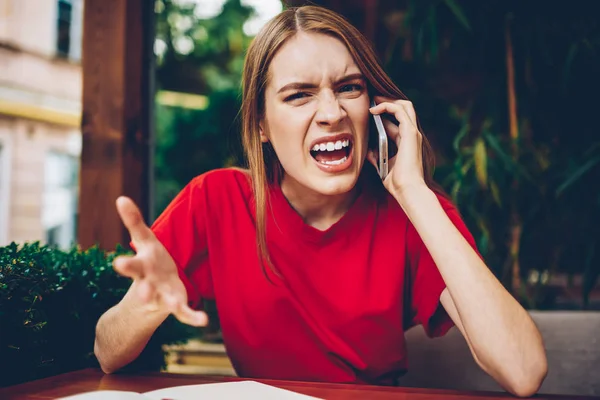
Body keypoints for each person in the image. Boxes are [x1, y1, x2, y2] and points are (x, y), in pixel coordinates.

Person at [94, 5, 547, 397]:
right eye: (299, 95)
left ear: (376, 105)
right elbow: (107, 352)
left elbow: (524, 372)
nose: (332, 113)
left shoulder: (415, 212)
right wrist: (148, 303)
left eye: (350, 87)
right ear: (261, 125)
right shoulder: (215, 200)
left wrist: (413, 191)